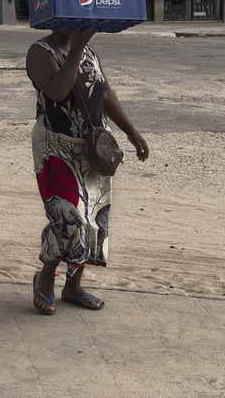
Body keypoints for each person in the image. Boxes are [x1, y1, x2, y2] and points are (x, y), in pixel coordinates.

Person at [25, 26, 149, 315]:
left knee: (94, 219)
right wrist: (78, 47)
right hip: (56, 145)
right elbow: (57, 90)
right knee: (67, 217)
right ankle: (46, 277)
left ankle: (73, 285)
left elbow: (104, 94)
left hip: (93, 147)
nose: (78, 24)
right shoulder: (40, 52)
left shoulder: (89, 50)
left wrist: (131, 132)